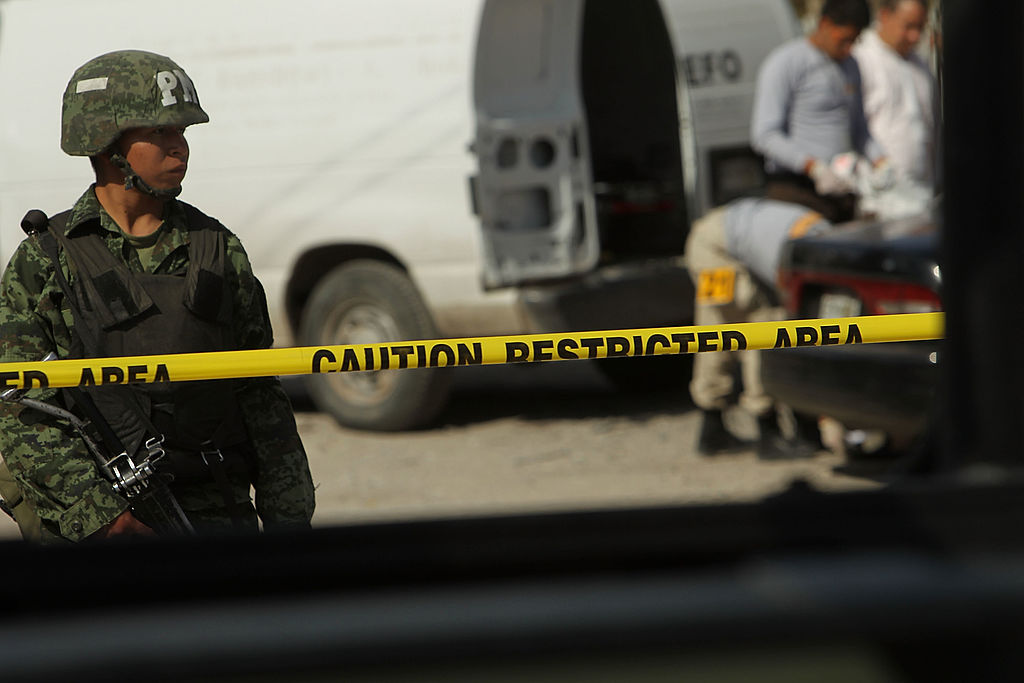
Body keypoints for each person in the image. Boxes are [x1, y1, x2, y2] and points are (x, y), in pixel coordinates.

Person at [0, 50, 316, 542]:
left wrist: (288, 519)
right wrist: (102, 517)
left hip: (218, 509)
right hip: (102, 523)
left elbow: (258, 394)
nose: (180, 148)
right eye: (162, 133)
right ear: (107, 144)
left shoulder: (216, 247)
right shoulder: (44, 262)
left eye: (184, 132)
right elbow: (22, 407)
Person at [685, 198, 831, 460]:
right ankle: (767, 430)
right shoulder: (795, 252)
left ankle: (712, 430)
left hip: (709, 236)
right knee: (763, 327)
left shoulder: (819, 236)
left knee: (716, 332)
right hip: (713, 248)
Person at [751, 0, 887, 223]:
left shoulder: (851, 65)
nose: (848, 48)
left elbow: (859, 128)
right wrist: (813, 167)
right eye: (843, 40)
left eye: (854, 41)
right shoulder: (787, 62)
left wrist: (880, 161)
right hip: (796, 192)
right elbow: (765, 135)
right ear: (824, 24)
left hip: (842, 192)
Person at [853, 0, 937, 192]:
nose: (915, 36)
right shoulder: (862, 60)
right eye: (908, 26)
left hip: (924, 186)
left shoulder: (921, 66)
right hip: (880, 189)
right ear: (884, 16)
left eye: (920, 27)